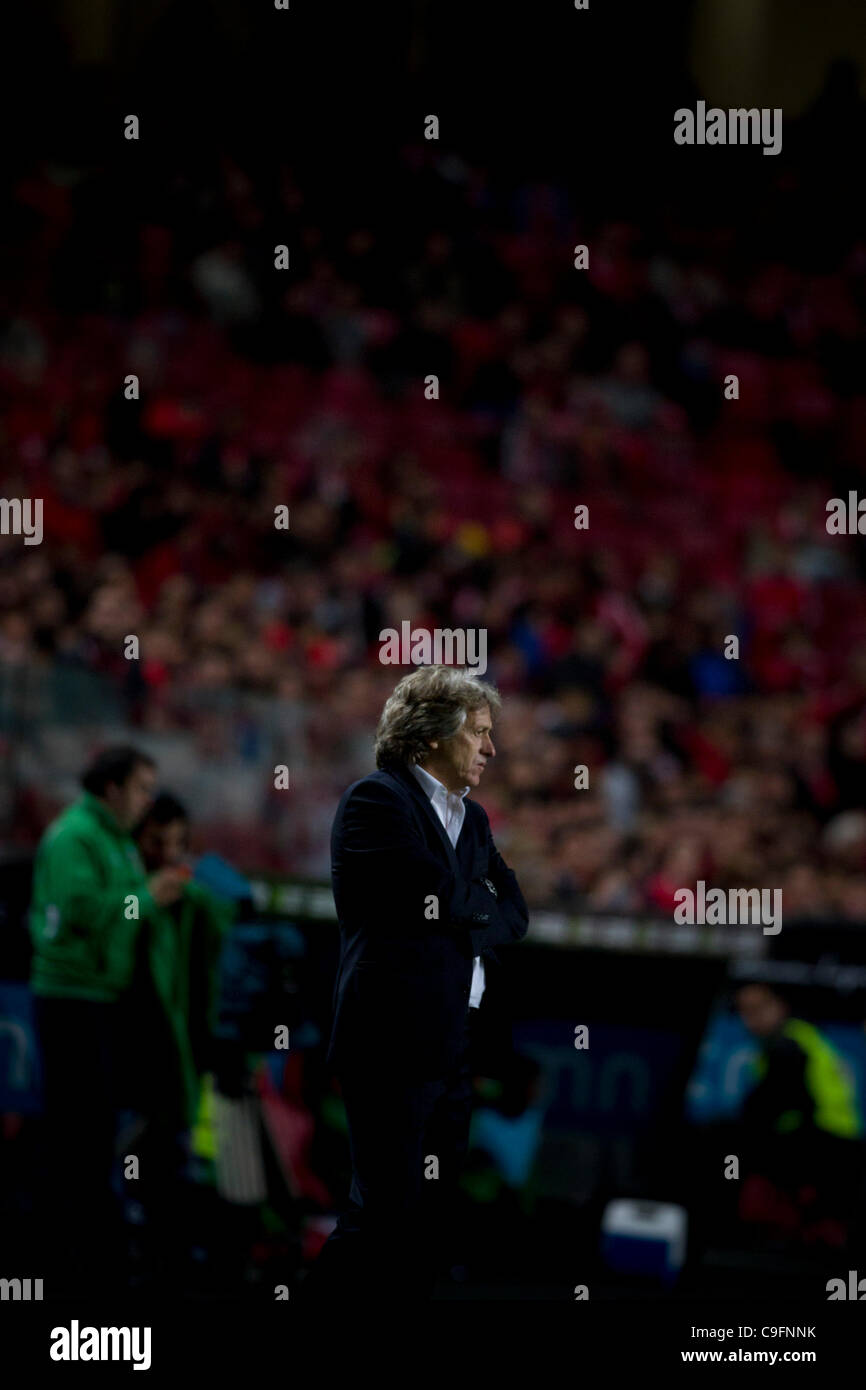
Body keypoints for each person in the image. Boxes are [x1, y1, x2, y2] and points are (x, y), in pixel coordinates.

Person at [300, 665, 529, 1302]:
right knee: (382, 1212)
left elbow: (513, 914)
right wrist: (468, 903)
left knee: (427, 1218)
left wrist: (467, 906)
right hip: (392, 1040)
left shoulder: (474, 819)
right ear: (429, 736)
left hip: (454, 1042)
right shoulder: (377, 800)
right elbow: (438, 898)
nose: (491, 749)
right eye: (479, 733)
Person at [29, 746, 189, 1297]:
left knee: (95, 1136)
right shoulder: (77, 836)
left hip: (99, 998)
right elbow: (83, 911)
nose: (147, 800)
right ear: (112, 787)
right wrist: (148, 895)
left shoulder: (114, 838)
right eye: (142, 787)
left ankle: (91, 1261)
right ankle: (71, 1272)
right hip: (71, 999)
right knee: (79, 1138)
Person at [127, 791, 232, 1292]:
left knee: (175, 1167)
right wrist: (145, 898)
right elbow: (111, 919)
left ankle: (170, 1263)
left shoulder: (196, 896)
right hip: (129, 1057)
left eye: (178, 843)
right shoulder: (125, 885)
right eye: (156, 842)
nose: (170, 854)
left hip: (181, 1058)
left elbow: (234, 911)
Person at [734, 982, 864, 1247]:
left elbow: (767, 1107)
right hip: (827, 1143)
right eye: (745, 1012)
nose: (751, 1019)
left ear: (779, 1007)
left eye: (759, 1009)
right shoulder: (798, 1037)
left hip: (825, 1143)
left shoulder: (788, 1046)